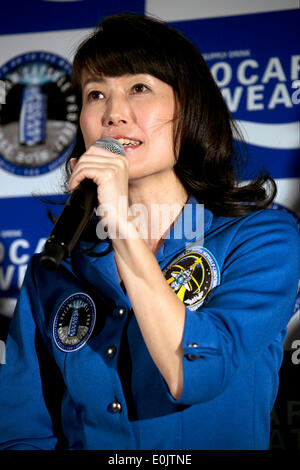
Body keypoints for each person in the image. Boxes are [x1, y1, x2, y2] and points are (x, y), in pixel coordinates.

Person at [0, 13, 299, 451]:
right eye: (95, 94)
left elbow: (194, 374)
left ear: (189, 108)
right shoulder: (56, 268)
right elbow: (23, 433)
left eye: (139, 88)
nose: (114, 114)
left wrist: (122, 224)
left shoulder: (261, 237)